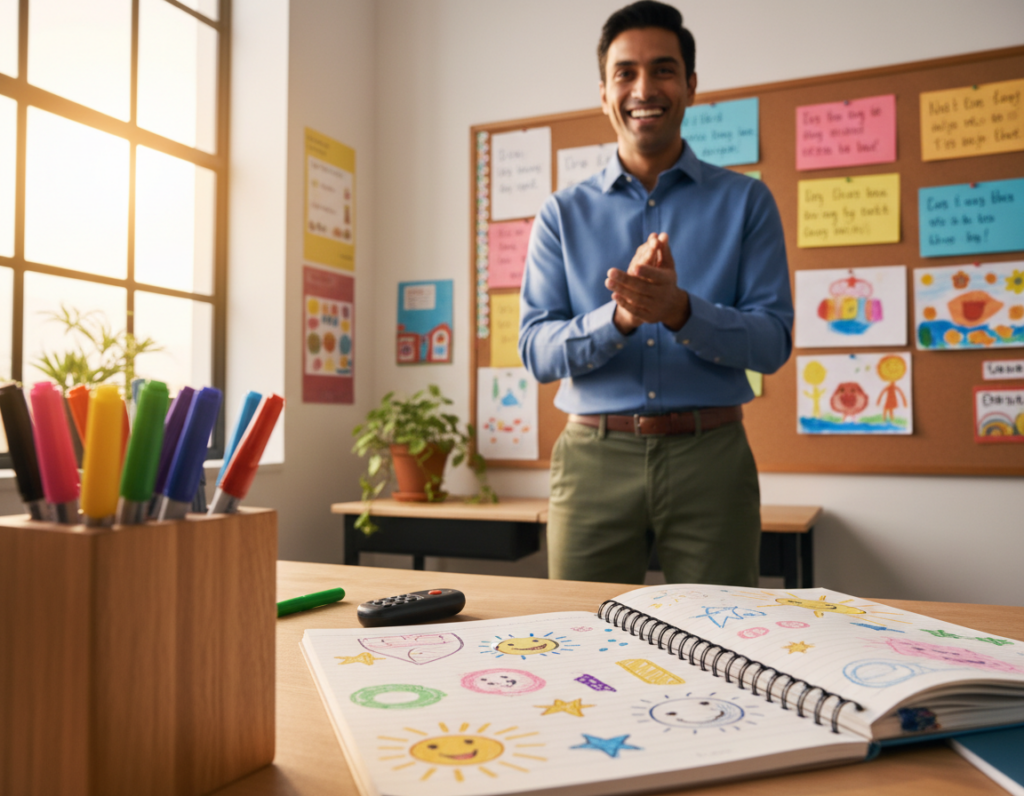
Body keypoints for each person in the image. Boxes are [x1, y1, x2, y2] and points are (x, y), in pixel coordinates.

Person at [518, 0, 793, 586]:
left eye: (664, 69)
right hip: (592, 457)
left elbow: (772, 342)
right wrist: (618, 319)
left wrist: (681, 312)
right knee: (578, 641)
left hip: (712, 456)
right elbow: (537, 353)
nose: (645, 87)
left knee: (725, 643)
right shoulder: (561, 214)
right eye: (626, 72)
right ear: (603, 93)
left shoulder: (747, 202)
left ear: (691, 86)